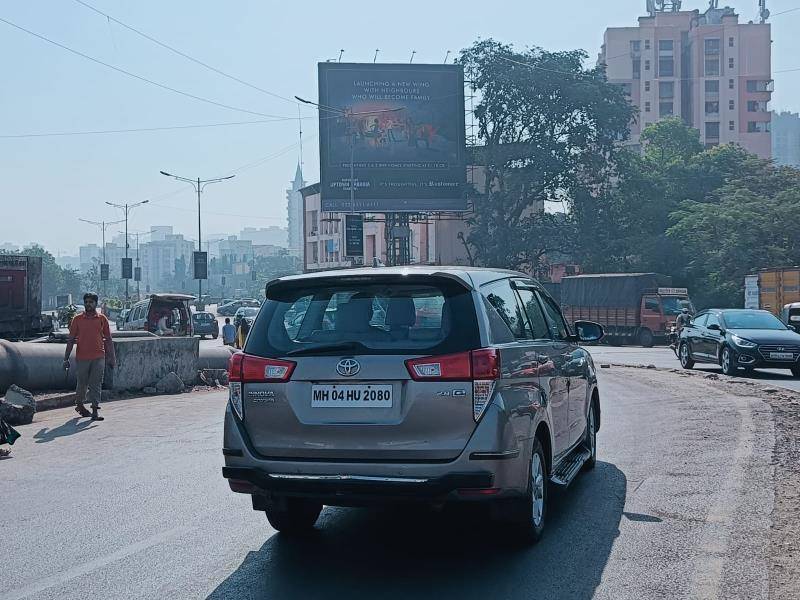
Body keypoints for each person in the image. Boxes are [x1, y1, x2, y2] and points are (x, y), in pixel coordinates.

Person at [63, 292, 116, 421]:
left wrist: (112, 358)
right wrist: (65, 358)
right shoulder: (77, 319)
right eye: (86, 302)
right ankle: (80, 404)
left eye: (91, 302)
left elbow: (108, 339)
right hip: (82, 357)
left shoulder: (102, 319)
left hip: (99, 357)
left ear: (95, 304)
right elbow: (70, 340)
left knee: (96, 383)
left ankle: (95, 411)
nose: (88, 304)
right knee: (82, 384)